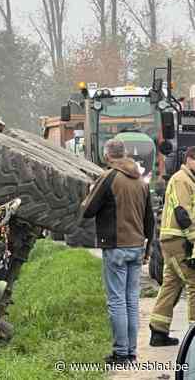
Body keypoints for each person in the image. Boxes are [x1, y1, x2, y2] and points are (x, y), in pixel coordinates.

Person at [81, 139, 154, 364]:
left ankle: (121, 353)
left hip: (115, 247)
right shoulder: (141, 181)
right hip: (136, 246)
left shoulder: (109, 177)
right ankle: (131, 352)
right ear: (124, 154)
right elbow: (150, 218)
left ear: (107, 155)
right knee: (132, 300)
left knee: (116, 301)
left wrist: (89, 191)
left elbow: (88, 210)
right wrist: (148, 248)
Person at [149, 146, 195, 346]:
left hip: (173, 239)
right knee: (194, 282)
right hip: (179, 239)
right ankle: (193, 338)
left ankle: (158, 331)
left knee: (171, 284)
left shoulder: (187, 180)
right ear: (190, 159)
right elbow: (183, 213)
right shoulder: (181, 179)